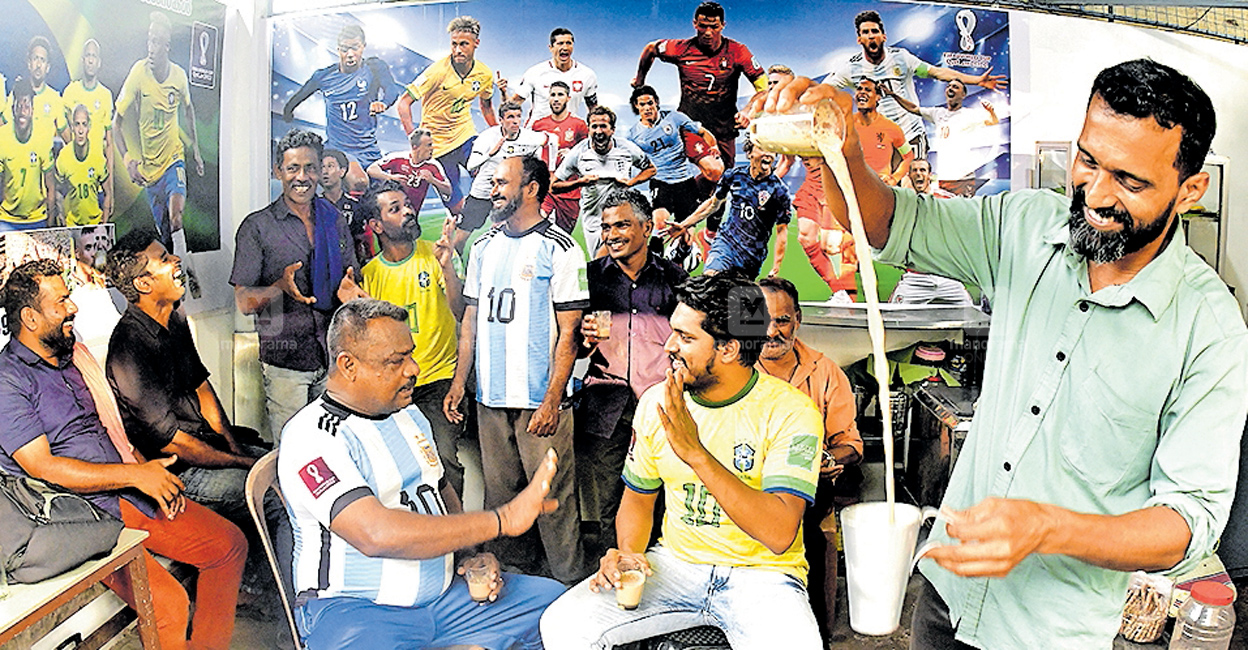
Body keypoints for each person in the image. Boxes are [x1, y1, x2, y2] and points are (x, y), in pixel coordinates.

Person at [771, 59, 1248, 647]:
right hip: (945, 597)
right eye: (1087, 160)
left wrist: (1048, 527)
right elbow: (890, 222)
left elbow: (1187, 522)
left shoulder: (1209, 328)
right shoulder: (1024, 227)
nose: (1095, 195)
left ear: (1190, 190)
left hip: (1051, 631)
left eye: (1129, 181)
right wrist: (838, 151)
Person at [540, 272, 825, 649]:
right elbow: (637, 500)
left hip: (763, 576)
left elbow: (778, 533)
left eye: (686, 337)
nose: (669, 346)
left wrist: (695, 453)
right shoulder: (656, 402)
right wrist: (628, 553)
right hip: (676, 566)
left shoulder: (792, 412)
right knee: (563, 625)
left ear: (729, 349)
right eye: (674, 331)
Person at [278, 298, 566, 649]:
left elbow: (440, 492)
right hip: (358, 613)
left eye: (410, 355)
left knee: (558, 609)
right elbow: (374, 534)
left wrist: (469, 554)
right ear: (348, 365)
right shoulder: (313, 435)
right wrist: (502, 519)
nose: (413, 368)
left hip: (445, 601)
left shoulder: (409, 415)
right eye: (396, 361)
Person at [0, 259, 246, 650]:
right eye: (61, 301)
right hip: (78, 517)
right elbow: (41, 466)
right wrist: (135, 475)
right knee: (167, 605)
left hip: (127, 490)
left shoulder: (70, 357)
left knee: (229, 545)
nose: (73, 308)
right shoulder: (9, 379)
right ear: (29, 317)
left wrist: (141, 469)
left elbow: (107, 430)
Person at [105, 229, 288, 599]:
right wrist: (241, 464)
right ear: (142, 282)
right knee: (278, 498)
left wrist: (234, 447)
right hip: (183, 473)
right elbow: (178, 445)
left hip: (206, 450)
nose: (175, 262)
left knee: (287, 474)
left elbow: (202, 387)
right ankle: (285, 605)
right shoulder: (128, 349)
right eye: (163, 259)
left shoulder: (173, 318)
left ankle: (257, 583)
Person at [444, 156, 588, 584]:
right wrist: (458, 383)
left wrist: (552, 401)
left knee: (551, 499)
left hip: (539, 403)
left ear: (531, 189)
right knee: (501, 499)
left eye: (502, 182)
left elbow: (570, 334)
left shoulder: (561, 248)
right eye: (492, 182)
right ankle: (509, 581)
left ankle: (568, 584)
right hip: (491, 399)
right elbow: (469, 320)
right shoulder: (484, 246)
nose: (494, 189)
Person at [231, 129, 366, 441]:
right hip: (286, 364)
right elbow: (243, 302)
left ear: (320, 171)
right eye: (292, 168)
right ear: (278, 171)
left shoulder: (333, 219)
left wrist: (348, 291)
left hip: (333, 357)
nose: (302, 177)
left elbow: (349, 277)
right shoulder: (257, 227)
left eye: (310, 168)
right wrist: (280, 287)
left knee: (336, 450)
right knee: (294, 455)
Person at [575, 189, 687, 553]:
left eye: (622, 225)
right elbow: (570, 345)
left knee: (665, 499)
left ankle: (660, 578)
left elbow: (690, 343)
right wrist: (584, 340)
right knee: (610, 502)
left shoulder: (674, 278)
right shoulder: (590, 278)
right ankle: (616, 575)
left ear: (646, 227)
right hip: (607, 405)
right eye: (606, 227)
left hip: (661, 407)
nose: (611, 235)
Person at [756, 276, 861, 640]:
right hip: (748, 492)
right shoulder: (734, 370)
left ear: (797, 319)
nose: (772, 331)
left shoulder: (825, 371)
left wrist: (831, 459)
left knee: (810, 540)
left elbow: (849, 442)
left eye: (782, 320)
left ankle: (812, 634)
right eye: (763, 320)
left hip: (808, 494)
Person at [359, 180, 467, 495]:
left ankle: (455, 540)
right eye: (396, 208)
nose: (408, 210)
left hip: (438, 382)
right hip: (392, 388)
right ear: (376, 225)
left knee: (443, 460)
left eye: (407, 204)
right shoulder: (370, 275)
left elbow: (460, 311)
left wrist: (447, 267)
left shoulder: (436, 254)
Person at [827, 10, 1007, 159]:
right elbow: (823, 90)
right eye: (865, 33)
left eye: (874, 31)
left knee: (913, 191)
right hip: (878, 139)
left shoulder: (901, 58)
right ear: (859, 39)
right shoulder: (851, 69)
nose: (870, 36)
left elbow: (938, 72)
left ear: (883, 36)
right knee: (881, 194)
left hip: (911, 135)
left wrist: (976, 80)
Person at [115, 11, 204, 263]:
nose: (151, 48)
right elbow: (116, 124)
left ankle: (187, 273)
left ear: (167, 46)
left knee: (177, 219)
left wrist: (195, 150)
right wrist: (128, 161)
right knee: (165, 233)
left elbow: (188, 109)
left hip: (173, 161)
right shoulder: (138, 73)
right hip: (149, 170)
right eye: (149, 40)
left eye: (157, 42)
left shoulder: (178, 76)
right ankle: (178, 281)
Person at [631, 1, 765, 165]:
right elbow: (651, 48)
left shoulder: (738, 52)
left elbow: (764, 88)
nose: (708, 32)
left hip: (724, 128)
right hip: (691, 125)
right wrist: (640, 80)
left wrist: (748, 111)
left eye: (714, 27)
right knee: (711, 169)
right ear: (695, 24)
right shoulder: (681, 49)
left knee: (723, 173)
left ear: (723, 25)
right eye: (703, 26)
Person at [397, 16, 498, 215]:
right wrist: (414, 138)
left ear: (476, 43)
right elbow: (403, 104)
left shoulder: (484, 74)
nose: (458, 50)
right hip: (439, 147)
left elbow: (486, 107)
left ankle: (502, 226)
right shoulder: (436, 72)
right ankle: (460, 238)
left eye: (464, 44)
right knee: (457, 208)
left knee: (491, 180)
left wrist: (498, 133)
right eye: (454, 44)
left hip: (465, 136)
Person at [283, 24, 400, 194]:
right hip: (339, 150)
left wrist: (384, 103)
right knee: (359, 182)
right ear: (338, 50)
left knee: (384, 194)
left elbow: (392, 89)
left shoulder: (374, 69)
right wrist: (288, 112)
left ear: (363, 47)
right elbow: (298, 96)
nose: (350, 54)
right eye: (345, 49)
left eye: (355, 48)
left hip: (369, 149)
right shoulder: (324, 76)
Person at [669, 138, 790, 279]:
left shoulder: (779, 191)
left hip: (751, 258)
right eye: (762, 149)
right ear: (749, 153)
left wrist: (776, 267)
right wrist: (684, 225)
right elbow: (712, 204)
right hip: (726, 244)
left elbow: (781, 231)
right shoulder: (734, 176)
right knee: (709, 282)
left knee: (734, 299)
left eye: (772, 151)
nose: (768, 154)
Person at [552, 106, 654, 257]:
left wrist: (631, 182)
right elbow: (554, 186)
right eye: (594, 127)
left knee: (618, 262)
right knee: (600, 264)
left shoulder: (626, 149)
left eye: (603, 126)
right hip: (594, 217)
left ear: (612, 129)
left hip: (621, 216)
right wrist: (580, 182)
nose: (599, 131)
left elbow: (651, 169)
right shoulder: (579, 152)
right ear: (589, 129)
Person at [456, 101, 554, 252]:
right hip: (482, 193)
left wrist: (550, 168)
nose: (515, 121)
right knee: (460, 237)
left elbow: (552, 140)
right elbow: (471, 165)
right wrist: (490, 153)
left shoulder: (529, 138)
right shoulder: (487, 137)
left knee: (514, 233)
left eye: (518, 117)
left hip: (509, 194)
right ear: (501, 120)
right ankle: (455, 269)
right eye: (510, 117)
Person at [624, 85, 714, 233]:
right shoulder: (633, 135)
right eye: (642, 104)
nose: (647, 108)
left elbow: (702, 132)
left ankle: (685, 252)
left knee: (685, 231)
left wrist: (714, 146)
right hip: (661, 182)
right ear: (636, 106)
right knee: (659, 223)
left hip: (685, 181)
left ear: (656, 103)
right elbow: (626, 159)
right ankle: (655, 253)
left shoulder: (674, 118)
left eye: (650, 103)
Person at [882, 79, 1000, 186]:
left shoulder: (969, 114)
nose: (950, 88)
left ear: (963, 95)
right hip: (944, 176)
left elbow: (993, 121)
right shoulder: (938, 113)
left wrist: (991, 112)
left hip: (964, 176)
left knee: (963, 209)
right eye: (949, 86)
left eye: (955, 87)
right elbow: (913, 108)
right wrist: (893, 95)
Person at [889, 158, 974, 306]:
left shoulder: (947, 200)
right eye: (914, 171)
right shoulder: (902, 202)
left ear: (930, 175)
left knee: (971, 313)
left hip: (947, 276)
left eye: (922, 170)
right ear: (909, 176)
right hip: (917, 278)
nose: (918, 174)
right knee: (893, 315)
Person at [60, 38, 114, 208]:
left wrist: (110, 190)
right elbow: (60, 131)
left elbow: (109, 145)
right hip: (74, 184)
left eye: (94, 56)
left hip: (96, 185)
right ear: (82, 60)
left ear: (99, 62)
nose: (90, 60)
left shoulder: (105, 96)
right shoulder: (70, 92)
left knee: (96, 234)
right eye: (87, 56)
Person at [531, 81, 588, 234]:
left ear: (568, 98)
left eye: (560, 95)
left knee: (563, 236)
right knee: (537, 229)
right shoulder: (538, 125)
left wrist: (573, 154)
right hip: (545, 188)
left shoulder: (579, 125)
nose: (556, 99)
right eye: (553, 95)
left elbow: (589, 155)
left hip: (569, 192)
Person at [511, 28, 598, 126]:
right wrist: (503, 92)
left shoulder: (587, 75)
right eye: (560, 43)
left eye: (568, 43)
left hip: (568, 134)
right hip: (537, 133)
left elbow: (593, 109)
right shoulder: (535, 72)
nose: (565, 47)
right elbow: (514, 103)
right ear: (551, 48)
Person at [0, 77, 55, 229]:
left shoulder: (43, 138)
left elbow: (50, 185)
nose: (22, 110)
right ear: (12, 109)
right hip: (6, 219)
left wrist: (50, 227)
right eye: (19, 105)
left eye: (27, 105)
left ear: (32, 110)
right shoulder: (2, 138)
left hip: (37, 218)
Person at [366, 128, 452, 223]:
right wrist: (391, 177)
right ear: (415, 147)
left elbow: (448, 190)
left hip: (411, 215)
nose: (432, 148)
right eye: (429, 145)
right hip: (392, 212)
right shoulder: (398, 158)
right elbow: (371, 169)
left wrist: (433, 180)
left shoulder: (433, 166)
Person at [56, 105, 111, 225]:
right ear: (72, 127)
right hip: (72, 225)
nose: (80, 130)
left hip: (95, 224)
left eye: (84, 124)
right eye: (77, 124)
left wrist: (104, 224)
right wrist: (62, 217)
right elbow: (57, 191)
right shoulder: (64, 157)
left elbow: (108, 193)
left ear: (89, 127)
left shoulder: (98, 157)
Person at [852, 78, 912, 186]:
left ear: (878, 97)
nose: (862, 92)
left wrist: (894, 179)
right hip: (851, 190)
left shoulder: (892, 128)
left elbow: (909, 157)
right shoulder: (845, 125)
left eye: (867, 90)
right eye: (859, 89)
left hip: (879, 191)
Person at [320, 149, 368, 261]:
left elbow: (360, 239)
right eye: (321, 167)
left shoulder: (356, 206)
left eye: (330, 166)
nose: (325, 172)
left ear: (342, 171)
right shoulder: (312, 206)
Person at [26, 36, 63, 156]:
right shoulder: (18, 94)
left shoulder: (55, 99)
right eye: (35, 58)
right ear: (29, 63)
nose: (38, 64)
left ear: (47, 67)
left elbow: (68, 136)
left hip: (45, 171)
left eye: (42, 60)